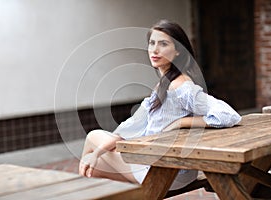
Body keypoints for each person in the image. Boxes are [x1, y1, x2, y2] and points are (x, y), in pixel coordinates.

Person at [79, 19, 241, 191]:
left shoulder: (181, 86)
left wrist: (182, 123)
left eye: (163, 44)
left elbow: (229, 115)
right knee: (94, 169)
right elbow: (132, 129)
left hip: (165, 170)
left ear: (178, 51)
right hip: (169, 167)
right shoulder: (164, 85)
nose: (154, 50)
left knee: (92, 143)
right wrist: (100, 153)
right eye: (152, 43)